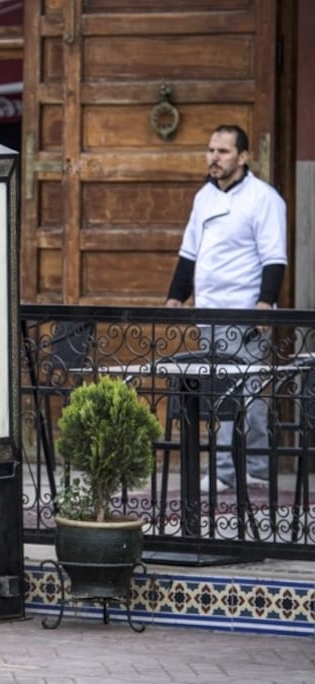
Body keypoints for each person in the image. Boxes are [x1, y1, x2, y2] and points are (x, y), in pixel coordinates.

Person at [165, 123, 287, 492]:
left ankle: (255, 468)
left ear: (243, 156)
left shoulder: (264, 199)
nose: (214, 158)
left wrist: (264, 304)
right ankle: (222, 471)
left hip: (245, 316)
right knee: (217, 395)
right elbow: (189, 253)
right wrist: (175, 297)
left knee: (248, 396)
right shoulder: (204, 197)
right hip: (209, 314)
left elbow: (275, 257)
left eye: (223, 152)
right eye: (210, 150)